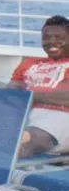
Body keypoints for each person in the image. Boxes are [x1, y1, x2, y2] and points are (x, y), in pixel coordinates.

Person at [11, 15, 69, 158]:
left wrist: (28, 94)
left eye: (58, 37)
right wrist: (48, 95)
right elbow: (10, 94)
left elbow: (66, 98)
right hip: (26, 114)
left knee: (27, 138)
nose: (51, 42)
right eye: (46, 37)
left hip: (61, 116)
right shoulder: (29, 64)